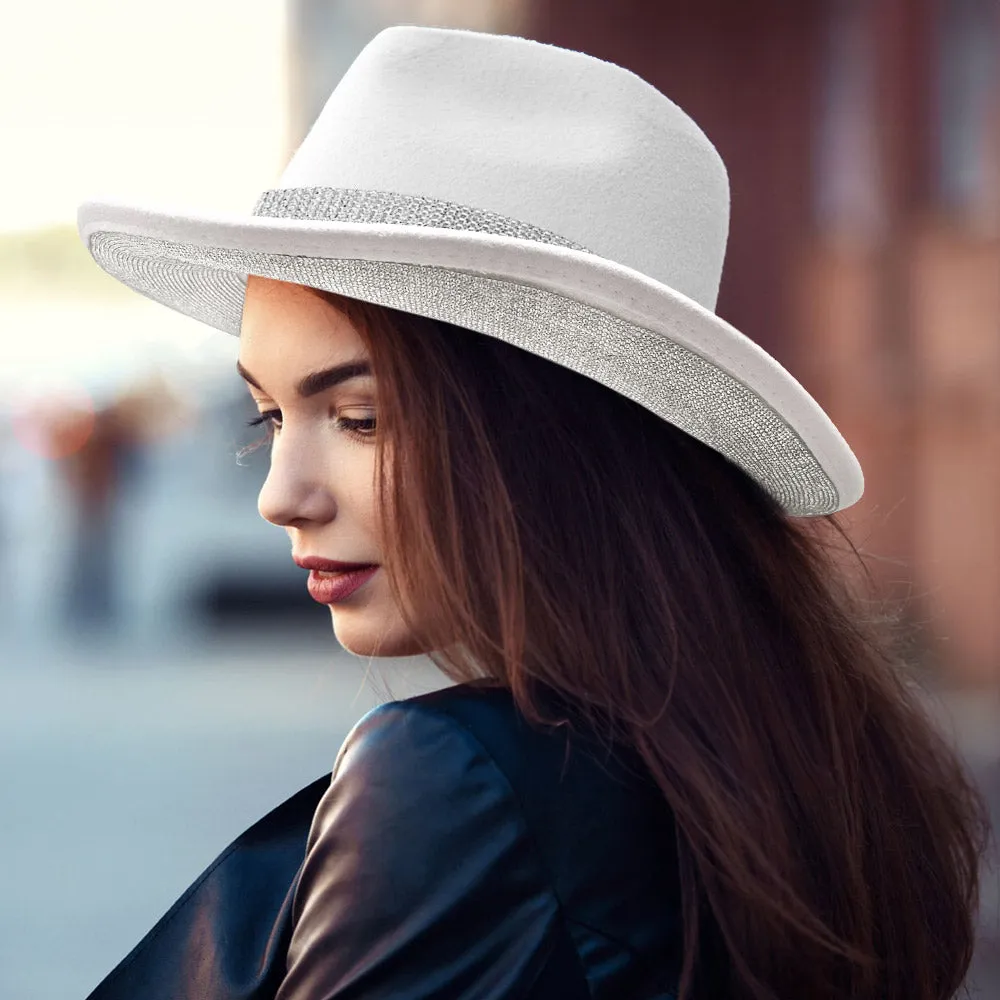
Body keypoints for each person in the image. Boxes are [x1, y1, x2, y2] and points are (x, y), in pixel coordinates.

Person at [77, 25, 991, 1000]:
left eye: (358, 416)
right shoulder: (807, 771)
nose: (278, 496)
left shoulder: (457, 782)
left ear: (547, 436)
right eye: (271, 416)